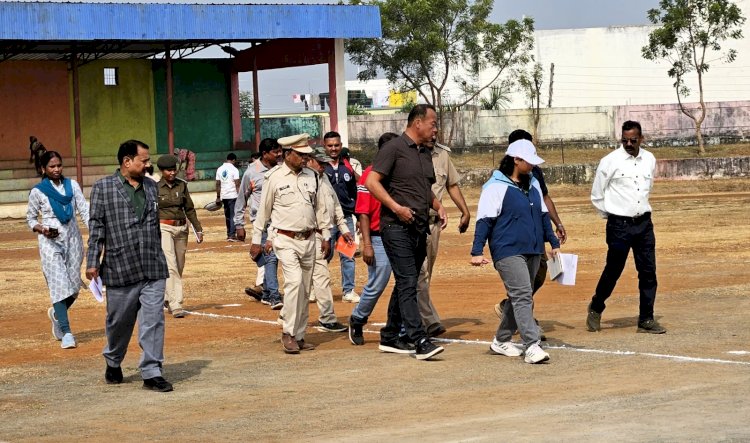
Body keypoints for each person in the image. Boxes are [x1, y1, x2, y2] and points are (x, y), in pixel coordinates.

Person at [86, 140, 173, 392]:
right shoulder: (103, 187)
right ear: (127, 161)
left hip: (152, 265)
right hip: (120, 266)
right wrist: (93, 261)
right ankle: (113, 360)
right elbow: (97, 228)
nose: (148, 164)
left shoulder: (151, 186)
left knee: (153, 320)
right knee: (119, 322)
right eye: (143, 160)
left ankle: (152, 371)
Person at [365, 104, 447, 361]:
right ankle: (418, 338)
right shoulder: (394, 148)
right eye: (433, 123)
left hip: (419, 228)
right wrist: (396, 208)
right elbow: (371, 182)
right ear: (417, 123)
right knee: (409, 280)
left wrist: (438, 206)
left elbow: (424, 188)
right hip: (395, 226)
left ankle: (390, 336)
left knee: (405, 282)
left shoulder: (424, 153)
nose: (436, 128)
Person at [470, 139, 560, 364]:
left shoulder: (534, 183)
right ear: (516, 160)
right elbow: (484, 220)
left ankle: (501, 340)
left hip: (533, 248)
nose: (533, 166)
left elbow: (542, 216)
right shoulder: (495, 186)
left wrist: (553, 242)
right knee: (522, 296)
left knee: (519, 295)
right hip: (507, 250)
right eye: (529, 162)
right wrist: (476, 251)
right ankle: (532, 345)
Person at [250, 133, 330, 354]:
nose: (305, 158)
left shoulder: (312, 176)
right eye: (300, 154)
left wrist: (325, 235)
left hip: (310, 239)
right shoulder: (273, 177)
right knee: (294, 283)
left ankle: (299, 334)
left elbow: (320, 208)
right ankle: (287, 331)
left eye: (306, 154)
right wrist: (256, 240)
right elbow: (263, 213)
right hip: (285, 239)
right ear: (287, 154)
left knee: (305, 289)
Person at [587, 120, 665, 334]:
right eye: (625, 140)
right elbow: (597, 195)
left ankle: (646, 319)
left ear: (641, 139)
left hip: (644, 225)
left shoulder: (649, 159)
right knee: (614, 269)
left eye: (633, 140)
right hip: (619, 225)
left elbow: (646, 189)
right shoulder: (610, 161)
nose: (629, 144)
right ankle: (596, 307)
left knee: (648, 272)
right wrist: (613, 216)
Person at [494, 129, 567, 340]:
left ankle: (510, 310)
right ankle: (530, 336)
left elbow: (544, 199)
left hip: (534, 238)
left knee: (538, 276)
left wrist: (557, 224)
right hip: (514, 243)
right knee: (523, 288)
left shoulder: (534, 173)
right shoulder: (503, 178)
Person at [26, 151, 89, 349]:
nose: (56, 169)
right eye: (52, 166)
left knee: (73, 287)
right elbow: (30, 219)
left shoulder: (73, 186)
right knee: (59, 286)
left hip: (73, 239)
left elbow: (84, 211)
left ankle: (56, 313)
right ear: (43, 169)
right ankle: (67, 332)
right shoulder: (38, 191)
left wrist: (96, 234)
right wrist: (43, 229)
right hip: (49, 242)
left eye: (59, 165)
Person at [416, 140, 471, 338]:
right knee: (419, 273)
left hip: (434, 224)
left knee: (426, 273)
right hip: (413, 223)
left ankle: (417, 319)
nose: (434, 133)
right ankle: (429, 321)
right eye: (431, 127)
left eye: (436, 128)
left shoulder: (442, 155)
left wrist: (465, 211)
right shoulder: (408, 152)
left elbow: (452, 185)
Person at [348, 132, 398, 346]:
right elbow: (363, 213)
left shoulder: (401, 173)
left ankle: (401, 325)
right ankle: (358, 318)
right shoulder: (369, 175)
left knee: (407, 282)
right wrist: (367, 244)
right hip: (377, 238)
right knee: (378, 282)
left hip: (399, 235)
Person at [307, 147, 354, 333]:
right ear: (310, 160)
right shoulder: (303, 180)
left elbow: (335, 206)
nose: (323, 166)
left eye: (325, 163)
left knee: (321, 277)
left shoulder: (324, 178)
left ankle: (327, 318)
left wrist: (343, 228)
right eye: (320, 162)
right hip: (306, 236)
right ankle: (286, 315)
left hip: (322, 235)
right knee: (300, 280)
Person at [235, 138, 284, 309]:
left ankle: (265, 291)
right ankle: (273, 296)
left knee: (276, 257)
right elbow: (242, 198)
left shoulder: (282, 169)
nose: (279, 155)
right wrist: (239, 224)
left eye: (280, 151)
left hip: (280, 221)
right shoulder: (252, 172)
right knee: (271, 257)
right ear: (264, 154)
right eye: (275, 152)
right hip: (261, 223)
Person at [157, 154, 204, 319]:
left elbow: (189, 209)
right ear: (162, 171)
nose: (172, 173)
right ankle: (176, 303)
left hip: (181, 228)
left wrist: (198, 228)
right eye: (168, 170)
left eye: (174, 170)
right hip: (163, 228)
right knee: (170, 265)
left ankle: (166, 296)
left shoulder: (182, 186)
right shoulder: (155, 188)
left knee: (179, 264)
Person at [322, 131, 360, 303]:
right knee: (324, 255)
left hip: (345, 218)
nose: (333, 149)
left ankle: (349, 291)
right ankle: (318, 289)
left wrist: (358, 216)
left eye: (336, 145)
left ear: (341, 145)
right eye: (330, 146)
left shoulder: (348, 167)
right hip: (326, 220)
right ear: (324, 146)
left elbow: (355, 192)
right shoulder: (319, 167)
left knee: (348, 255)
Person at [215, 153, 240, 241]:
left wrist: (218, 197)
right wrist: (240, 196)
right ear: (233, 160)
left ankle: (229, 233)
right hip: (233, 195)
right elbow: (237, 184)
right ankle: (232, 235)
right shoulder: (234, 169)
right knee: (233, 215)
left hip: (224, 195)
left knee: (227, 216)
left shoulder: (219, 169)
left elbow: (218, 184)